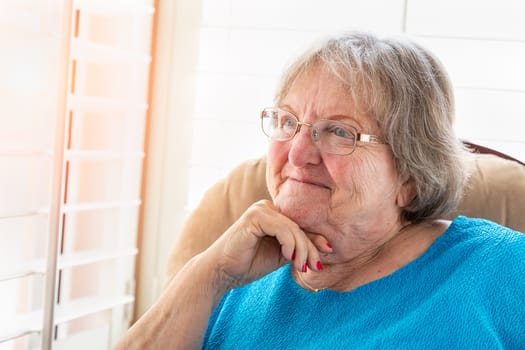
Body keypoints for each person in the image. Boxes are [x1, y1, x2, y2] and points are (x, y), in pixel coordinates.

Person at [116, 32, 525, 349]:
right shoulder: (230, 283)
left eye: (339, 131)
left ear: (411, 175)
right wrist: (209, 275)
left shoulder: (502, 269)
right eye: (288, 121)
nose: (298, 151)